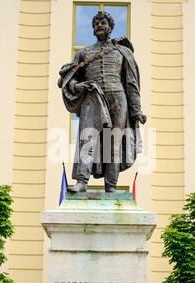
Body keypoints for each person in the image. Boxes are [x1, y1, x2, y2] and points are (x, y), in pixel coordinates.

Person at [58, 11, 147, 193]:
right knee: (88, 138)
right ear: (93, 28)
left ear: (110, 27)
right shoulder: (84, 53)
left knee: (114, 140)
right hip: (93, 97)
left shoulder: (123, 51)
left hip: (118, 97)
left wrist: (136, 110)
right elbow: (68, 79)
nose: (100, 25)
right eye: (96, 23)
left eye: (103, 22)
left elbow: (131, 83)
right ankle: (82, 181)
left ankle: (111, 185)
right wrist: (79, 86)